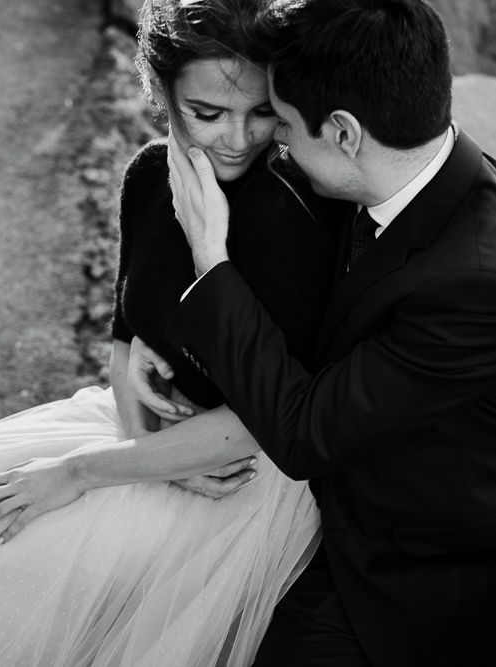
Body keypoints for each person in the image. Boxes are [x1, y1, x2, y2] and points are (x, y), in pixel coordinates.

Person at [0, 1, 350, 665]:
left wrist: (81, 473)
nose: (238, 138)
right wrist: (136, 445)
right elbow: (124, 336)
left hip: (238, 478)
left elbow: (263, 423)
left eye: (261, 112)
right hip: (140, 437)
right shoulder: (147, 176)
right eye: (207, 113)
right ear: (160, 95)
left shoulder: (291, 215)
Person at [157, 0, 496, 665]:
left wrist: (209, 256)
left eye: (280, 122)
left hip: (406, 574)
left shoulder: (474, 283)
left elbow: (305, 431)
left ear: (343, 132)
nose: (271, 143)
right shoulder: (400, 173)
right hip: (316, 507)